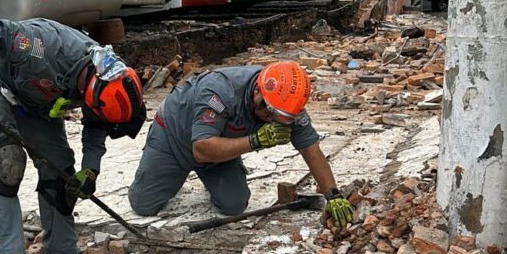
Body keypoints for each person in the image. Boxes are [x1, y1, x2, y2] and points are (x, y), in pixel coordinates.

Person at [0, 12, 146, 254]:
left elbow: (96, 126)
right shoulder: (40, 45)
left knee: (62, 172)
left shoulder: (108, 73)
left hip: (33, 102)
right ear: (91, 90)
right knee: (7, 163)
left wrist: (90, 171)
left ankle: (61, 252)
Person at [128, 61, 354, 228]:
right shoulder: (221, 90)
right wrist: (254, 141)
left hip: (218, 148)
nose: (272, 120)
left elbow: (310, 148)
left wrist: (333, 195)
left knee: (234, 205)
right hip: (173, 138)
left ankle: (211, 173)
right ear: (258, 92)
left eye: (280, 117)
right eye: (271, 114)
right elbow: (201, 148)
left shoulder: (286, 105)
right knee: (143, 205)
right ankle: (167, 172)